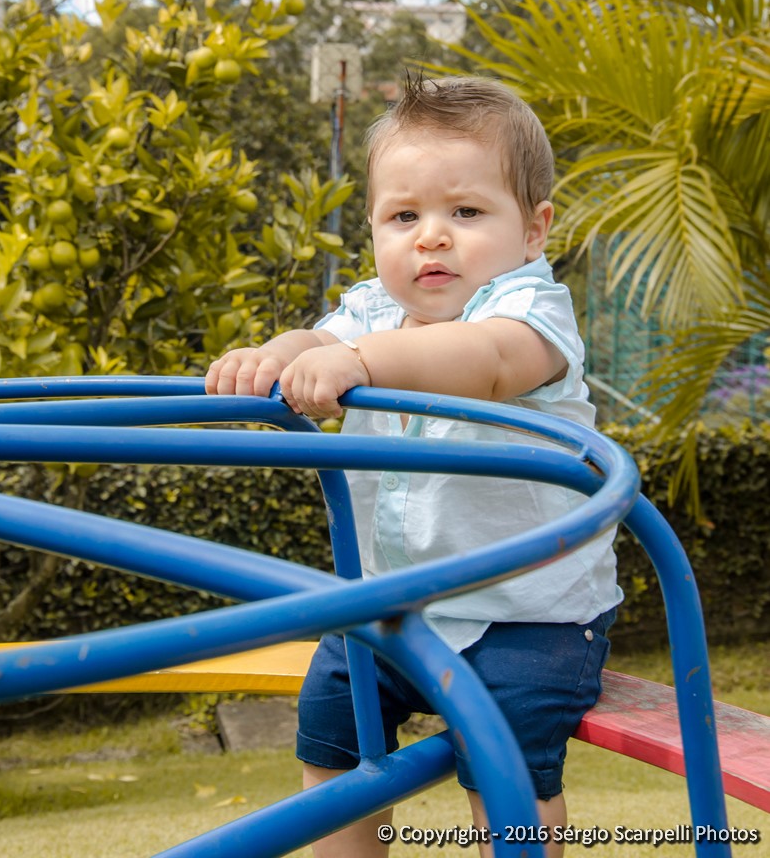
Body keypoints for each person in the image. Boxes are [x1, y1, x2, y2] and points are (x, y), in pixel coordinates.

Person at [206, 74, 621, 857]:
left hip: (524, 614)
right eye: (403, 216)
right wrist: (274, 354)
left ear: (532, 230)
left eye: (465, 212)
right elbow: (315, 343)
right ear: (372, 228)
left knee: (502, 760)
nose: (430, 237)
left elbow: (486, 361)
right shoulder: (368, 310)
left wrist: (360, 361)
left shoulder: (527, 310)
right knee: (331, 730)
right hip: (389, 605)